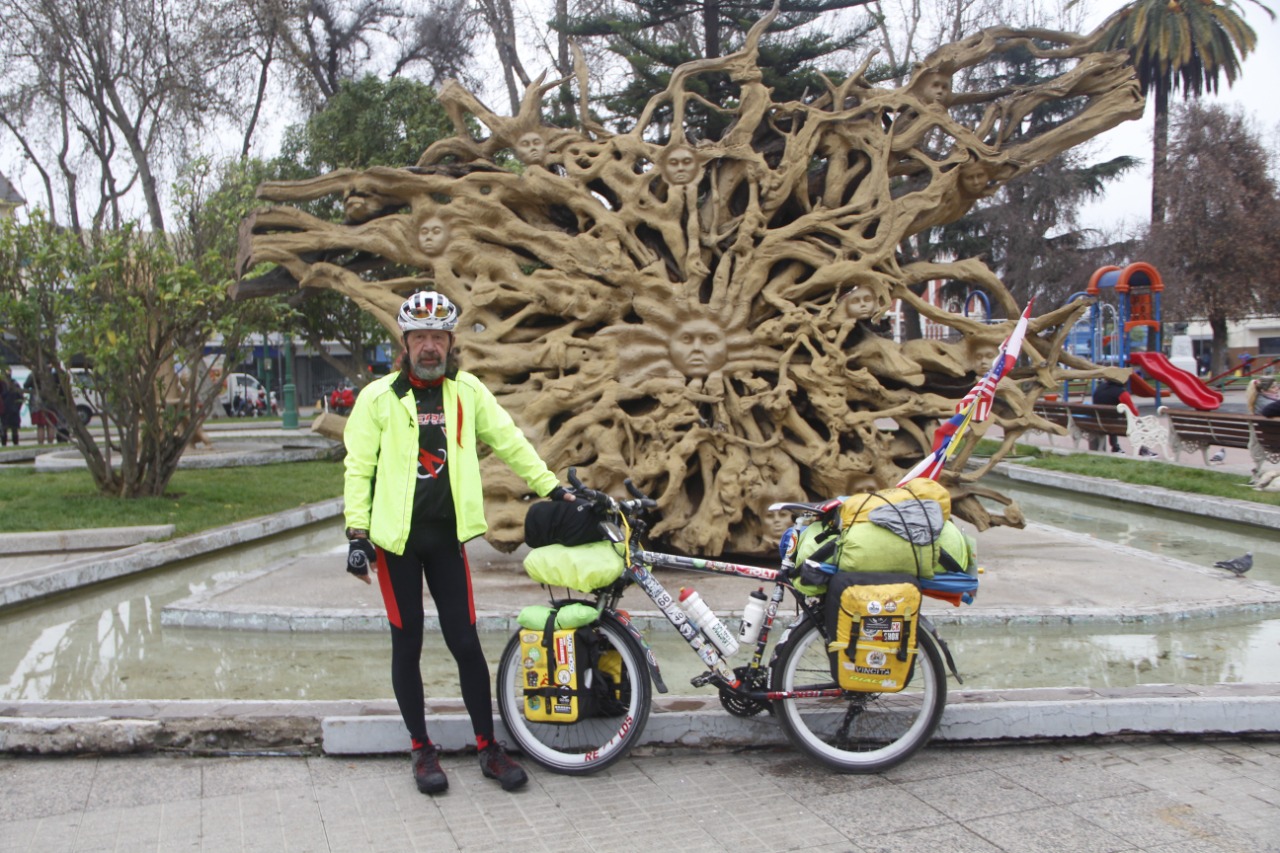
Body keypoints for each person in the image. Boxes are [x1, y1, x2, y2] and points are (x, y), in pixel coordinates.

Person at [343, 290, 576, 796]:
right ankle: (421, 749)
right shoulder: (378, 399)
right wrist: (357, 534)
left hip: (446, 540)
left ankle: (487, 746)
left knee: (466, 642)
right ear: (404, 344)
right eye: (420, 337)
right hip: (395, 545)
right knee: (407, 644)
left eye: (438, 337)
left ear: (451, 343)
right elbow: (358, 468)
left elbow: (511, 441)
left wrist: (551, 487)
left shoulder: (467, 392)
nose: (430, 346)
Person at [1092, 378, 1138, 453]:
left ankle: (1115, 447)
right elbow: (1134, 413)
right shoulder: (1121, 393)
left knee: (1111, 419)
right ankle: (1142, 449)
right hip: (1115, 425)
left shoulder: (1099, 388)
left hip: (1098, 423)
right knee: (1134, 423)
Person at [0, 372, 21, 446]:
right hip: (12, 409)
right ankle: (15, 443)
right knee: (13, 428)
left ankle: (4, 444)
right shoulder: (15, 384)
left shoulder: (3, 384)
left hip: (6, 409)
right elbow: (20, 396)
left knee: (5, 428)